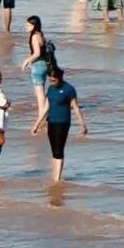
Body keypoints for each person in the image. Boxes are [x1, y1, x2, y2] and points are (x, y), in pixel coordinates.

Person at [41, 57, 85, 189]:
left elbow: (75, 107)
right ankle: (54, 175)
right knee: (53, 149)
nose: (51, 81)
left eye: (54, 79)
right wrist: (37, 124)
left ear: (60, 77)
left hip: (63, 122)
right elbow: (46, 106)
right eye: (50, 79)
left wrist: (82, 124)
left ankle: (57, 178)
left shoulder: (69, 89)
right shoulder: (50, 89)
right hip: (51, 122)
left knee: (59, 150)